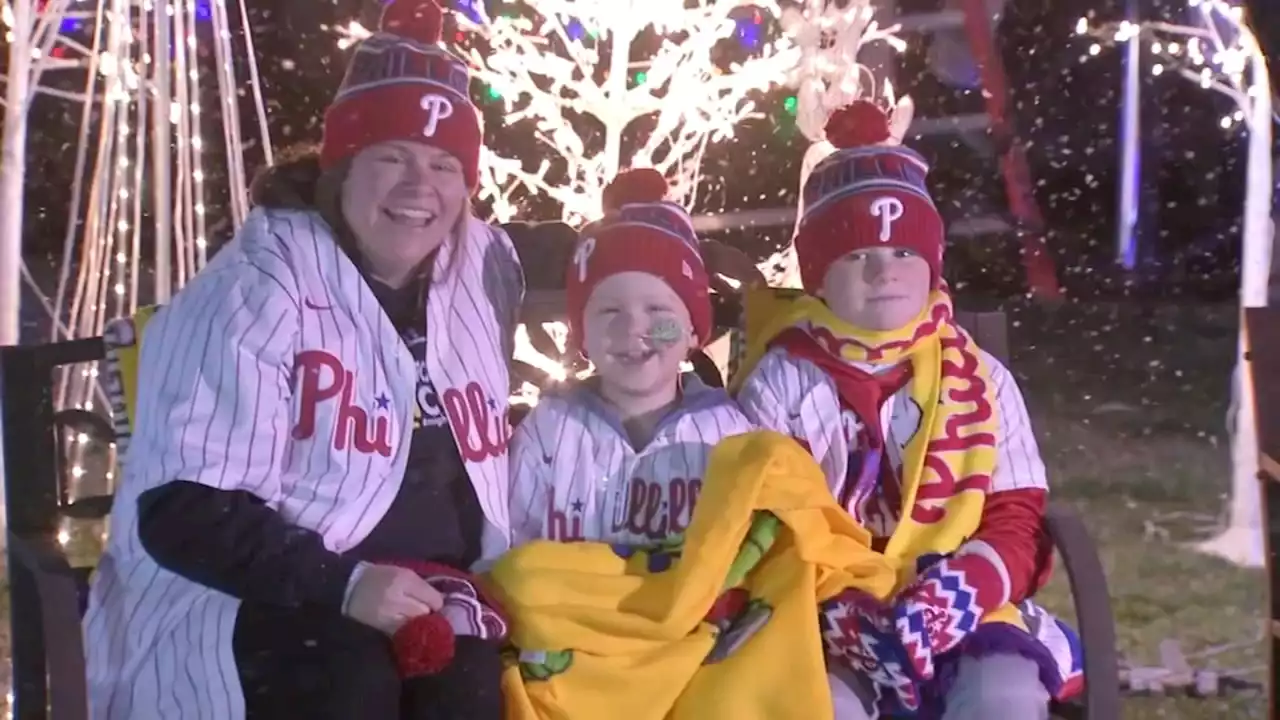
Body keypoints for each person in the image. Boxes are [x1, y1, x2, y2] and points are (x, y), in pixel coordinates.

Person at [82, 2, 521, 718]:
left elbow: (573, 256)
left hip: (432, 593)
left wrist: (660, 267)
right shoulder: (255, 286)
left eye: (445, 165)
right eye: (392, 158)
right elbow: (181, 510)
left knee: (468, 685)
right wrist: (343, 584)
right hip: (259, 593)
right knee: (347, 679)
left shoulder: (473, 265)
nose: (421, 189)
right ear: (341, 167)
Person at [732, 100, 1081, 719]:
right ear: (817, 275)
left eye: (902, 254)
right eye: (857, 256)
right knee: (819, 705)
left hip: (965, 607)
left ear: (932, 263)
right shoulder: (782, 380)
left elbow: (1016, 516)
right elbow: (761, 519)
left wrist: (961, 594)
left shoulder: (979, 379)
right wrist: (835, 605)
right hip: (826, 613)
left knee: (1001, 696)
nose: (883, 273)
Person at [508, 168, 752, 548]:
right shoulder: (549, 431)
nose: (634, 329)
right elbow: (504, 558)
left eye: (658, 311)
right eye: (609, 312)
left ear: (692, 331)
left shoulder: (729, 435)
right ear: (582, 333)